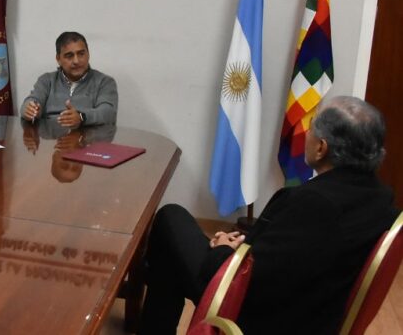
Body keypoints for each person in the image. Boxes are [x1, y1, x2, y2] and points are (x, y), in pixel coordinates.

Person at [138, 96, 399, 334]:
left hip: (255, 319)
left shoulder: (314, 204)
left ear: (321, 147)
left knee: (169, 220)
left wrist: (223, 251)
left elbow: (254, 288)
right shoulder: (382, 200)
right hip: (316, 312)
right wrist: (245, 245)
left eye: (311, 130)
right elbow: (295, 252)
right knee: (174, 247)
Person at [21, 31, 118, 128]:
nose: (76, 61)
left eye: (81, 54)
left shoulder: (104, 82)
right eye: (69, 56)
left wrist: (81, 117)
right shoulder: (47, 80)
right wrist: (29, 109)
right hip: (52, 140)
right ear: (58, 59)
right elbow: (33, 99)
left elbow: (108, 113)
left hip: (88, 139)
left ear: (88, 54)